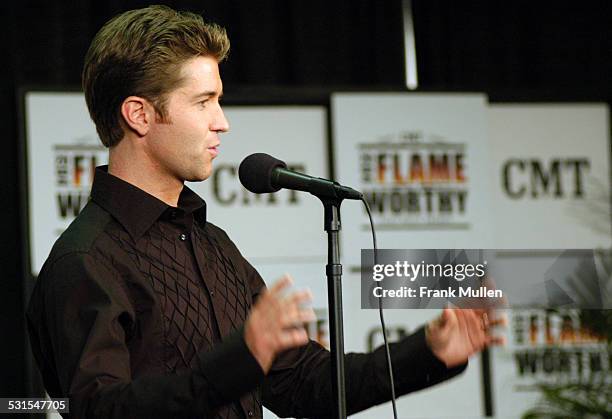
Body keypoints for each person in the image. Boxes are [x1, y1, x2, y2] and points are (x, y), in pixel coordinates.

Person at [26, 5, 505, 419]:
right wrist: (240, 360)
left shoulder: (212, 246)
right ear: (139, 115)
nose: (223, 122)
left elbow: (307, 384)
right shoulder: (85, 260)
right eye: (203, 102)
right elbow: (100, 410)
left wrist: (428, 352)